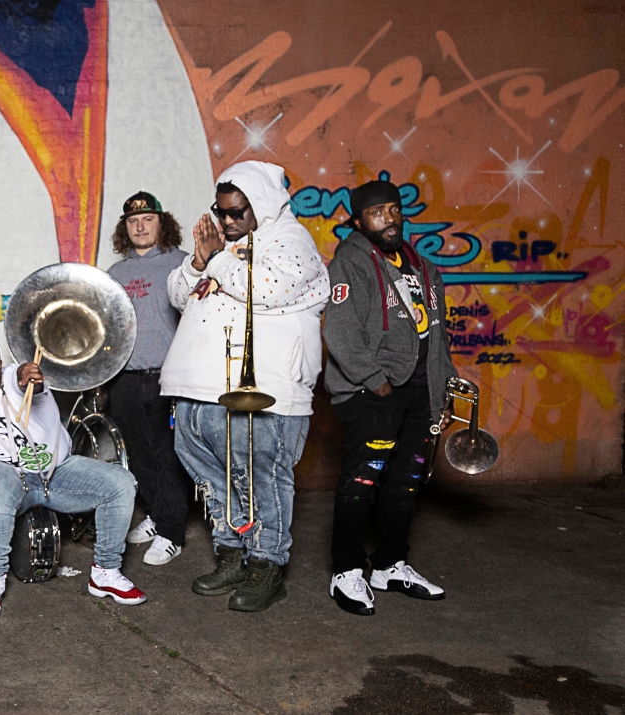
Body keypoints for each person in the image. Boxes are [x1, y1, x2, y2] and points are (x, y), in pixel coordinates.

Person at [161, 160, 329, 612]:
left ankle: (266, 565)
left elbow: (268, 288)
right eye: (221, 212)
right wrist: (198, 261)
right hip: (200, 388)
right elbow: (177, 294)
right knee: (216, 482)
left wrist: (216, 259)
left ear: (264, 204)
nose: (228, 221)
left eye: (237, 212)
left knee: (261, 480)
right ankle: (232, 554)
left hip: (264, 392)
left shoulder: (291, 241)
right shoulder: (223, 246)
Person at [0, 332, 146, 620]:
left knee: (121, 483)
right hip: (6, 480)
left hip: (57, 474)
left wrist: (29, 376)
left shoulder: (16, 380)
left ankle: (105, 573)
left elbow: (24, 376)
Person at [323, 179, 457, 616]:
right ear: (359, 222)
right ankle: (346, 570)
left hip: (419, 392)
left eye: (394, 210)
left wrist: (443, 385)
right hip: (374, 392)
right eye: (377, 213)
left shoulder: (423, 268)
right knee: (361, 482)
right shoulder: (351, 261)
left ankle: (389, 565)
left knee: (405, 481)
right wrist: (373, 379)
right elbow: (340, 329)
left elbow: (437, 335)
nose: (388, 219)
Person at [105, 191, 192, 565]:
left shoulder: (182, 264)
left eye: (148, 219)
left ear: (162, 222)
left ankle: (172, 533)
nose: (140, 227)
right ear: (125, 228)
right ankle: (157, 515)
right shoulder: (115, 274)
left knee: (168, 455)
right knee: (138, 454)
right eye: (132, 221)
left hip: (168, 378)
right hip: (124, 377)